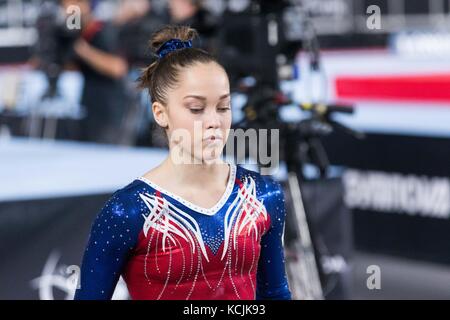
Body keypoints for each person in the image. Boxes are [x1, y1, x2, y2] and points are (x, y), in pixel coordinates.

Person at [74, 25, 291, 300]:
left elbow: (275, 294)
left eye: (223, 107)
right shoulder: (127, 211)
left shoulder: (263, 195)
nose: (214, 121)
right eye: (196, 109)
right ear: (160, 113)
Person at [61, 0, 129, 144]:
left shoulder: (103, 31)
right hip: (88, 110)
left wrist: (83, 51)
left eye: (74, 6)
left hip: (109, 113)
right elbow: (70, 67)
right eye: (66, 7)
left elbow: (118, 68)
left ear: (86, 6)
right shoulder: (76, 36)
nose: (70, 12)